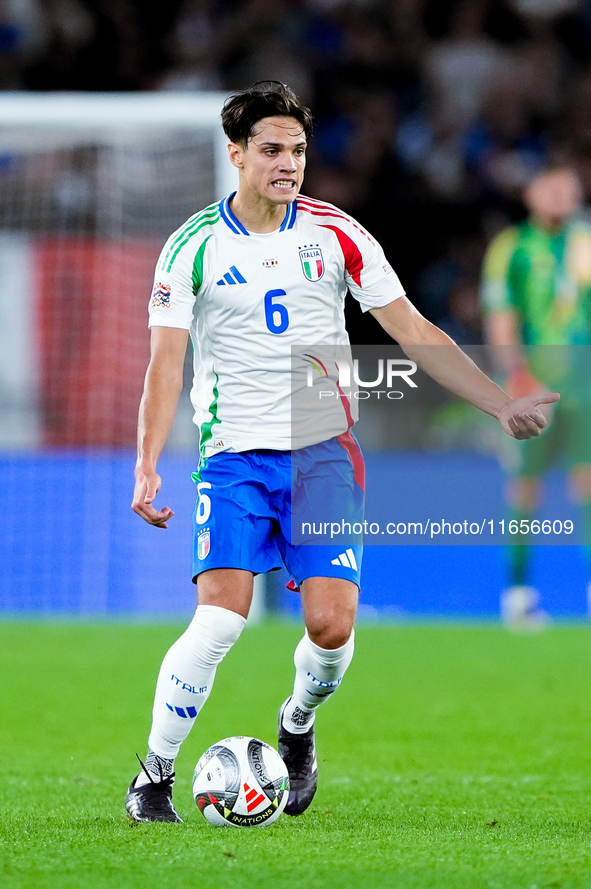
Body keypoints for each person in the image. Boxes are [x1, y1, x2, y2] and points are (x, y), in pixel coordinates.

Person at [125, 81, 558, 823]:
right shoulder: (193, 245)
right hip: (231, 456)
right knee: (220, 620)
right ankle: (154, 775)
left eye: (296, 150)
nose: (287, 163)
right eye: (270, 150)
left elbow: (414, 330)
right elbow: (165, 363)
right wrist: (146, 461)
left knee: (329, 628)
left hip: (323, 452)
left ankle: (296, 725)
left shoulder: (335, 233)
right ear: (236, 154)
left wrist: (498, 400)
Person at [481, 165, 591, 627]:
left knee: (587, 485)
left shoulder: (586, 242)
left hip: (585, 384)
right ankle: (519, 595)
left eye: (571, 189)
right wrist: (518, 378)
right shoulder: (512, 247)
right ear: (531, 194)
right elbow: (501, 316)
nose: (563, 196)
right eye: (553, 188)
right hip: (533, 386)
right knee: (525, 488)